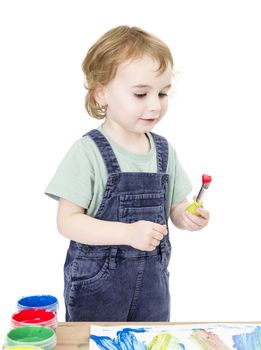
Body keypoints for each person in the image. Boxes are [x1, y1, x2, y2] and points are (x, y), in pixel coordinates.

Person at [45, 25, 210, 322]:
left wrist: (186, 215)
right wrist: (127, 234)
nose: (154, 105)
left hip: (153, 291)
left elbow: (176, 205)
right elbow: (67, 222)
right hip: (97, 291)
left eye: (162, 93)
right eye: (140, 94)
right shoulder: (88, 152)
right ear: (102, 94)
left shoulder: (164, 151)